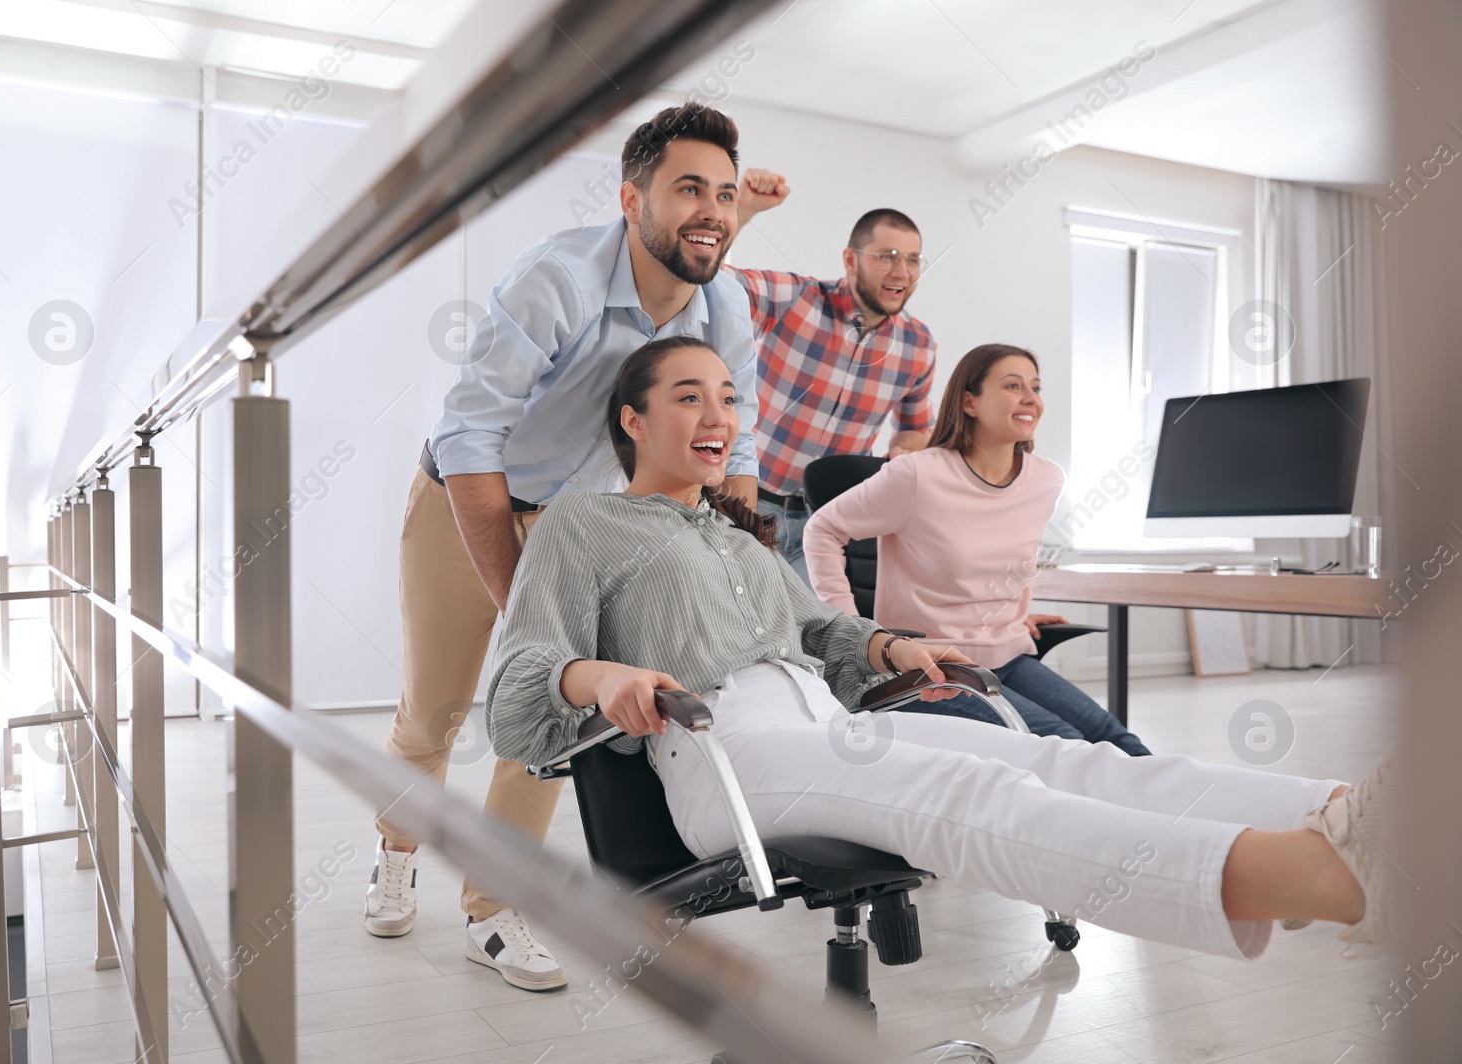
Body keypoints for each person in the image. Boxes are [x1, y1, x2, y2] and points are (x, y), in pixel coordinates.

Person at [484, 336, 1395, 964]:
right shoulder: (584, 525)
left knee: (1062, 758)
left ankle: (1347, 815)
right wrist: (598, 674)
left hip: (823, 722)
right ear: (632, 422)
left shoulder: (734, 532)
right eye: (689, 397)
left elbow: (818, 633)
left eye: (728, 396)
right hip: (724, 753)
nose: (719, 414)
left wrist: (885, 643)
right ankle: (1310, 877)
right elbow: (515, 694)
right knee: (970, 790)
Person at [369, 104, 761, 992]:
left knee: (546, 720)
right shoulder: (556, 280)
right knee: (434, 709)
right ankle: (396, 850)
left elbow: (734, 441)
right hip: (465, 496)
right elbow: (471, 438)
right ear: (632, 198)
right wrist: (518, 601)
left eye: (727, 195)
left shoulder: (724, 303)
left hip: (580, 520)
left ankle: (493, 911)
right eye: (688, 188)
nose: (713, 209)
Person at [803, 343, 1150, 755]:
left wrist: (1015, 613)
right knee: (1071, 748)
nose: (1030, 399)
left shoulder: (1046, 480)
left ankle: (1191, 819)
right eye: (1012, 385)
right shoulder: (917, 475)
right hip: (932, 664)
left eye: (1035, 388)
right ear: (969, 402)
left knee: (1119, 741)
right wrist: (857, 633)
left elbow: (1013, 556)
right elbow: (822, 529)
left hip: (1011, 653)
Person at [722, 170, 939, 583]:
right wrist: (744, 208)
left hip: (827, 523)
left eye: (913, 260)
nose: (902, 271)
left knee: (811, 642)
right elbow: (712, 280)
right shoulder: (796, 299)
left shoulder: (919, 345)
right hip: (748, 508)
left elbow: (913, 431)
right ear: (851, 259)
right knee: (734, 634)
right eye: (888, 256)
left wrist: (906, 454)